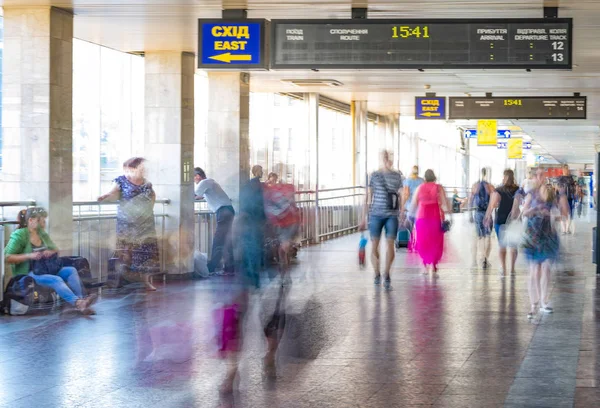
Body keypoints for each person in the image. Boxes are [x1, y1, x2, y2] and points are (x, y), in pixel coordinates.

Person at [4, 207, 97, 314]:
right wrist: (30, 255)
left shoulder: (42, 234)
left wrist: (50, 251)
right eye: (40, 220)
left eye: (43, 220)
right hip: (29, 273)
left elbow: (55, 249)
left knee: (71, 270)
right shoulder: (20, 235)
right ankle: (78, 303)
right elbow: (8, 257)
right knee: (56, 279)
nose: (43, 223)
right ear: (30, 220)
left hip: (45, 269)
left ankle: (81, 301)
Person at [99, 157, 160, 291]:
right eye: (140, 168)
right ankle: (121, 281)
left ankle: (146, 281)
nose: (143, 170)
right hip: (127, 225)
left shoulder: (147, 184)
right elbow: (112, 192)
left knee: (146, 253)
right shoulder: (121, 181)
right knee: (125, 252)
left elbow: (153, 197)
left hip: (145, 224)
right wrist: (105, 196)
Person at [522, 169, 566, 319]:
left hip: (548, 235)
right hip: (533, 236)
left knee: (546, 268)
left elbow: (560, 214)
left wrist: (553, 215)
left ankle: (543, 302)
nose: (541, 178)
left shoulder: (551, 194)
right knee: (534, 271)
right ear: (534, 177)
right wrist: (534, 210)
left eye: (543, 175)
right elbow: (524, 213)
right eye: (538, 175)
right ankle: (533, 304)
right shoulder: (530, 194)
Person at [359, 150, 403, 290]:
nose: (385, 159)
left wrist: (401, 212)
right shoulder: (375, 175)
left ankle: (386, 273)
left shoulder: (397, 176)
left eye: (387, 156)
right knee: (374, 246)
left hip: (390, 215)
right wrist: (363, 217)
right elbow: (368, 196)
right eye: (384, 156)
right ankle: (378, 273)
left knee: (389, 245)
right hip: (376, 214)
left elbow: (401, 195)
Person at [194, 167, 235, 275]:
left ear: (198, 176)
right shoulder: (210, 182)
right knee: (227, 241)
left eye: (194, 179)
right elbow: (200, 195)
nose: (194, 182)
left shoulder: (204, 182)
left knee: (218, 241)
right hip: (228, 210)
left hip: (223, 212)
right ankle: (229, 268)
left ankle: (211, 268)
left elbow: (194, 195)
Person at [411, 169, 450, 274]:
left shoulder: (419, 187)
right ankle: (433, 264)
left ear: (425, 177)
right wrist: (450, 214)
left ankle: (424, 264)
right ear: (434, 177)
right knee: (435, 241)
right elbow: (445, 201)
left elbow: (414, 203)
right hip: (435, 217)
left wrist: (408, 216)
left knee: (423, 241)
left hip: (422, 217)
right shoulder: (439, 188)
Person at [263, 173, 300, 283]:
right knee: (282, 249)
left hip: (286, 224)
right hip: (280, 224)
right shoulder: (272, 192)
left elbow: (290, 205)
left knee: (283, 248)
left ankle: (284, 272)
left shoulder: (277, 192)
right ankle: (284, 271)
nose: (272, 183)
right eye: (271, 181)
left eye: (274, 180)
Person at [484, 169, 521, 278]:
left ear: (505, 177)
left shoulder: (499, 190)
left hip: (501, 219)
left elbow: (493, 205)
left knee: (502, 245)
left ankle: (504, 269)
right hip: (514, 220)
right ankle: (512, 269)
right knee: (513, 246)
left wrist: (487, 216)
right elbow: (519, 204)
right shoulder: (517, 189)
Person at [237, 165, 267, 288]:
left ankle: (251, 274)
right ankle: (253, 274)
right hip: (253, 220)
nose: (262, 172)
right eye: (260, 170)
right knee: (254, 247)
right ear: (255, 172)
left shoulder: (249, 186)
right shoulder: (257, 186)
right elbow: (260, 204)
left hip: (249, 219)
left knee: (251, 246)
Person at [469, 168, 495, 269]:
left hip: (478, 213)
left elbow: (470, 200)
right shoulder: (490, 187)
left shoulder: (475, 186)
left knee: (480, 237)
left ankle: (480, 257)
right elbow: (493, 202)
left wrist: (470, 214)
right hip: (487, 214)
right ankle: (485, 258)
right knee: (488, 236)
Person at [403, 166, 424, 250]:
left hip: (409, 206)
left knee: (409, 224)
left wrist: (402, 205)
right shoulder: (422, 181)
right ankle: (417, 242)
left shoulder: (407, 181)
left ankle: (411, 240)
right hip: (420, 206)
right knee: (417, 225)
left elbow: (406, 195)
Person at [557, 164, 576, 234]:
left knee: (569, 213)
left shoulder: (571, 178)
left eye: (567, 169)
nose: (566, 170)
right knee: (562, 214)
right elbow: (558, 188)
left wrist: (574, 194)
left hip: (570, 197)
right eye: (565, 169)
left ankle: (567, 229)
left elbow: (573, 188)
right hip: (562, 198)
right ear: (562, 170)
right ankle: (564, 229)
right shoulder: (560, 178)